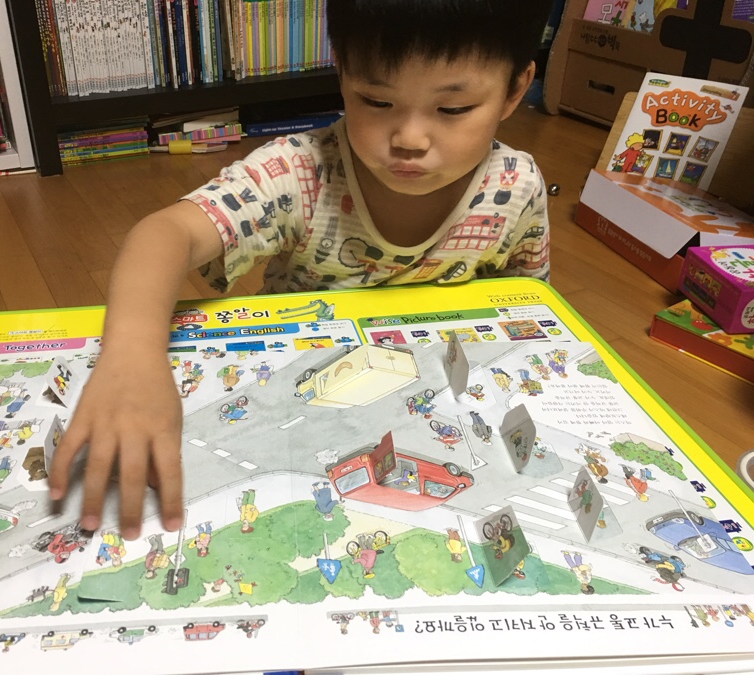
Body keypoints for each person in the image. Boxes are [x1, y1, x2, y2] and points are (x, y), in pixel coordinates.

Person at [49, 0, 554, 539]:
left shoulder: (517, 186)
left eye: (452, 109)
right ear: (341, 71)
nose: (409, 138)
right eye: (376, 100)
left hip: (434, 408)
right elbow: (166, 233)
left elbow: (529, 312)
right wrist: (130, 354)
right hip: (302, 400)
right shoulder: (301, 170)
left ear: (515, 90)